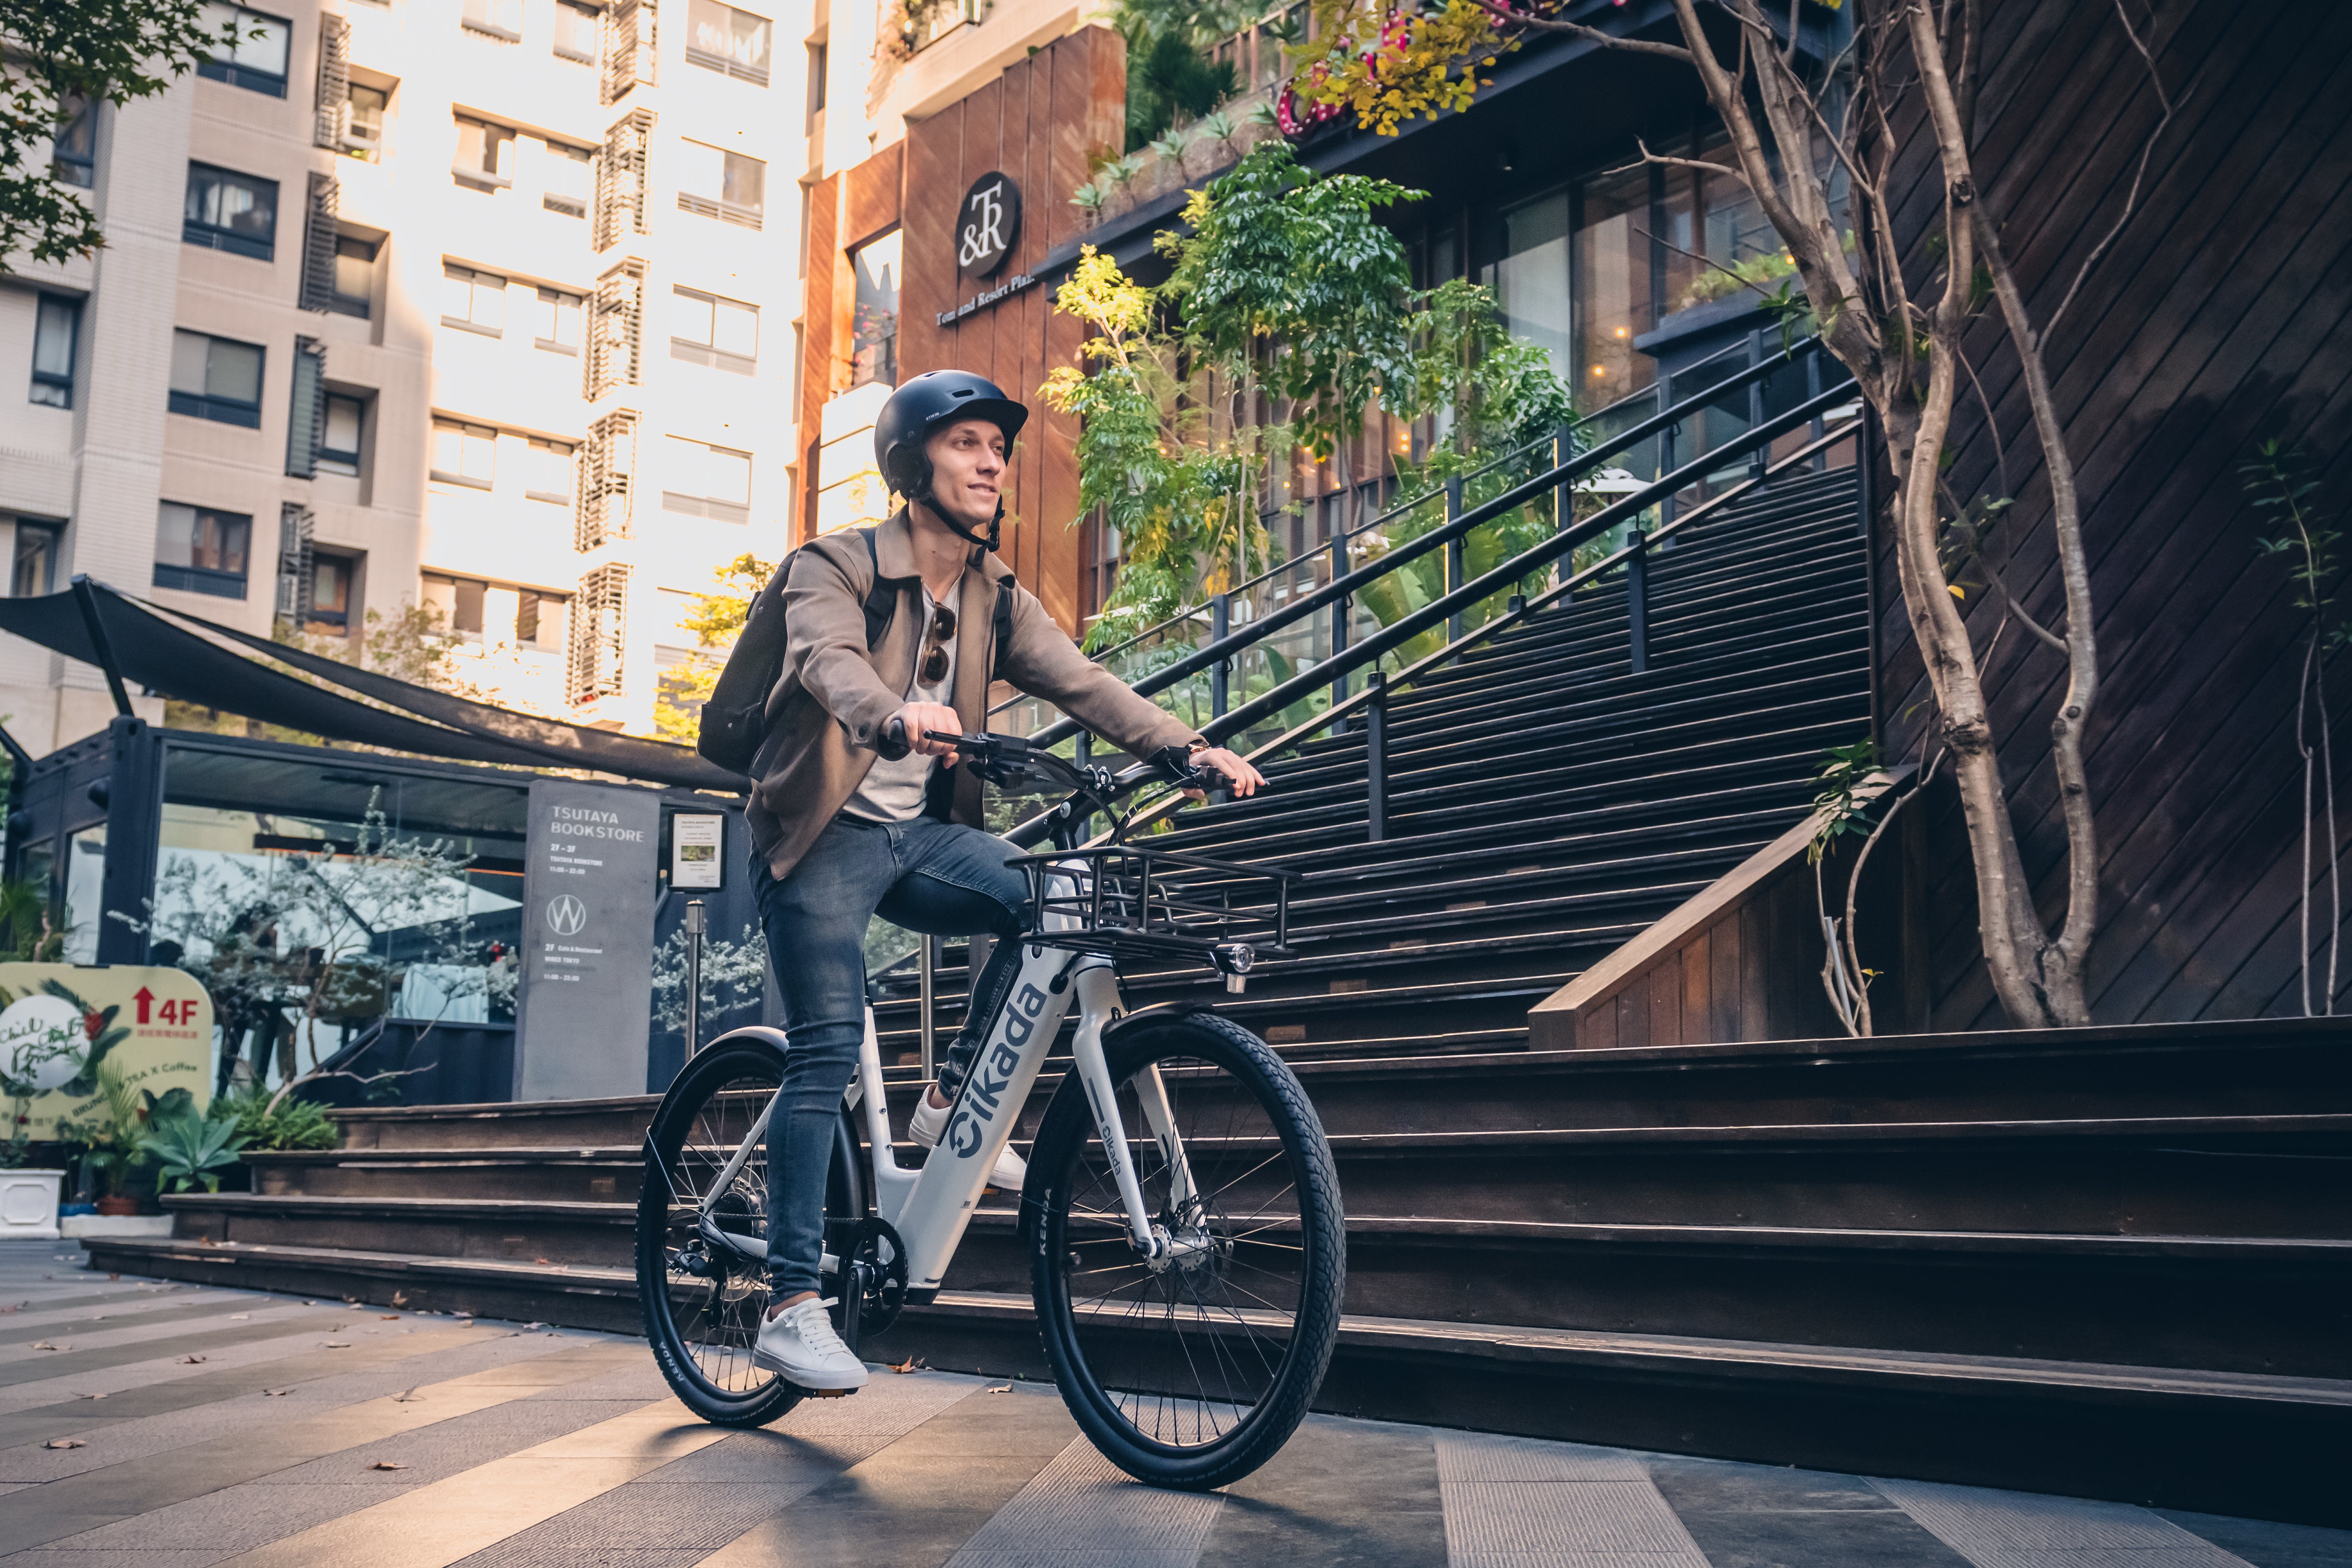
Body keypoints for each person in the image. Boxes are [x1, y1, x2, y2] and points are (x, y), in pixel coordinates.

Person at [742, 370, 1265, 1393]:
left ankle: (947, 1099)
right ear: (913, 461)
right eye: (967, 444)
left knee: (1053, 899)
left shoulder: (993, 595)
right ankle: (791, 1300)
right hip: (817, 837)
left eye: (997, 448)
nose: (991, 463)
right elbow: (826, 662)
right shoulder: (833, 564)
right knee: (821, 1054)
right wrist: (892, 713)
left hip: (920, 840)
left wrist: (1187, 750)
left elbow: (1086, 682)